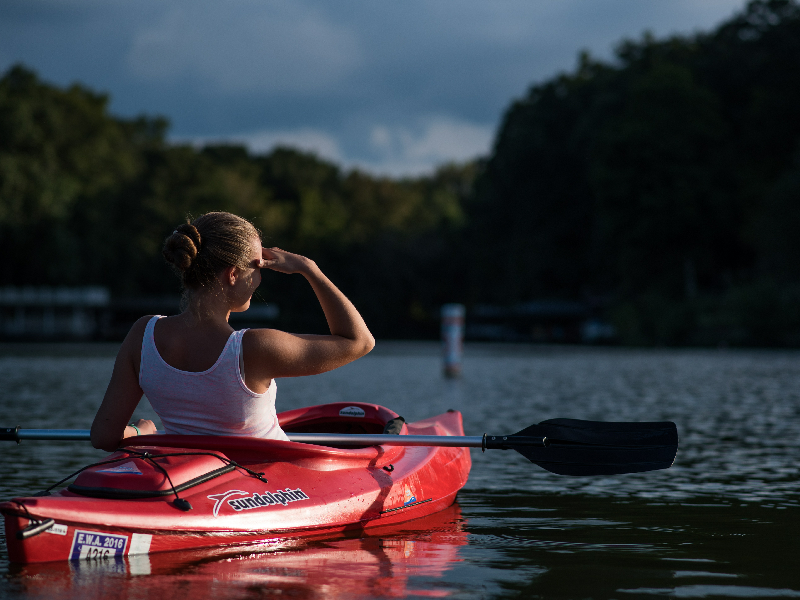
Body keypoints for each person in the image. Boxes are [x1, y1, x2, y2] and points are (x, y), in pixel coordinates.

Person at [90, 211, 375, 452]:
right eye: (258, 266)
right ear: (233, 275)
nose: (260, 277)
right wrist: (309, 269)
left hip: (196, 483)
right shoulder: (254, 347)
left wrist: (143, 435)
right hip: (266, 488)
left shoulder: (143, 334)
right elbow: (360, 341)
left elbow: (104, 436)